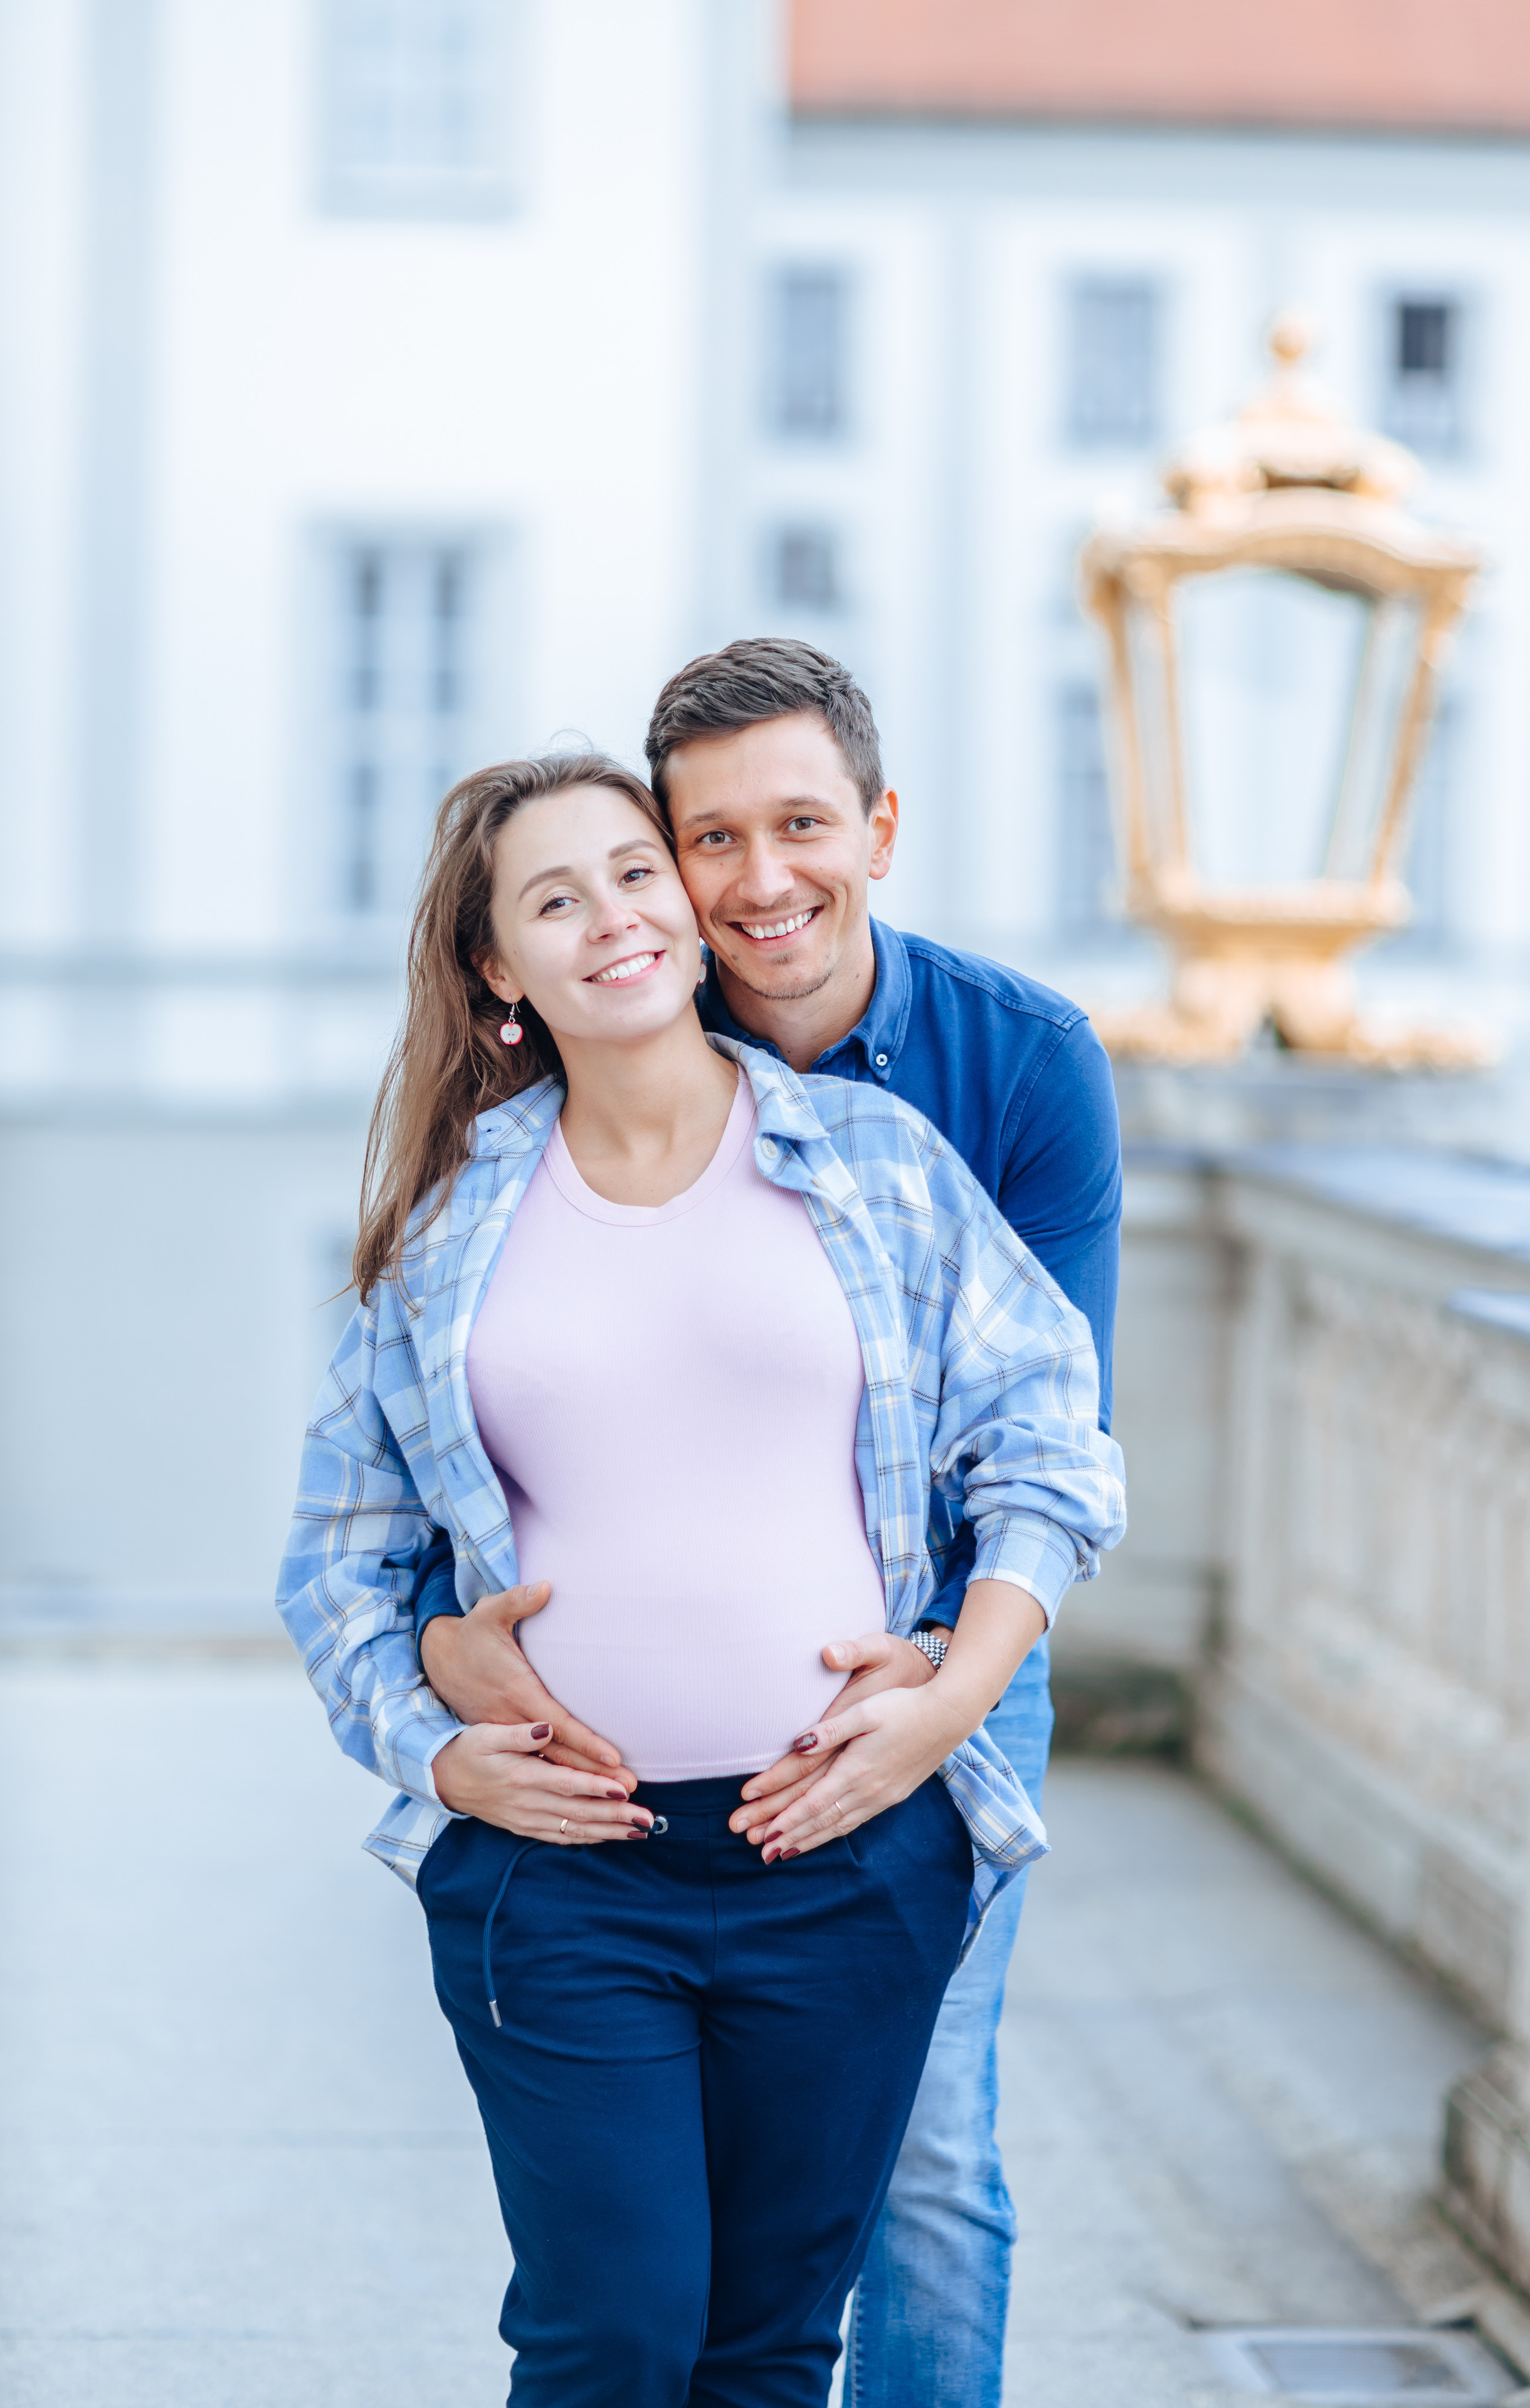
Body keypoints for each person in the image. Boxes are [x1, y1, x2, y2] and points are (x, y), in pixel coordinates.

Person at [278, 749, 1126, 2408]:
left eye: (633, 871)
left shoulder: (874, 1162)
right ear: (495, 972)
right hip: (565, 1880)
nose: (613, 916)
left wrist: (954, 1694)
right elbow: (338, 1555)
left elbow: (1053, 1435)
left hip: (847, 1859)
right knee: (615, 2334)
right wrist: (430, 1741)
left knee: (765, 2355)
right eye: (552, 897)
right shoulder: (449, 1225)